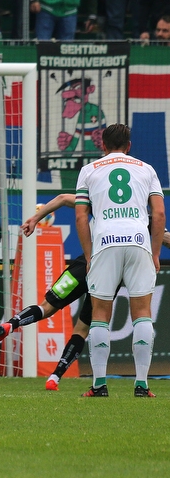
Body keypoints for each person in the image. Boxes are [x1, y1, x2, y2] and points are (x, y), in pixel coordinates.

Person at [0, 195, 170, 391]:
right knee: (83, 329)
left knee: (45, 307)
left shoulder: (100, 201)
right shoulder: (140, 217)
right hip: (109, 272)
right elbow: (165, 237)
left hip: (84, 263)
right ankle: (55, 377)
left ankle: (10, 324)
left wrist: (36, 218)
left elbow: (63, 198)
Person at [75, 123, 165, 398]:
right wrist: (156, 252)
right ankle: (141, 384)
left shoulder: (89, 170)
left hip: (104, 241)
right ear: (129, 146)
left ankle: (99, 384)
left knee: (100, 314)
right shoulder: (146, 169)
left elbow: (81, 216)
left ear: (102, 145)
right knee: (142, 312)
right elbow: (159, 214)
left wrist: (89, 255)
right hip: (138, 241)